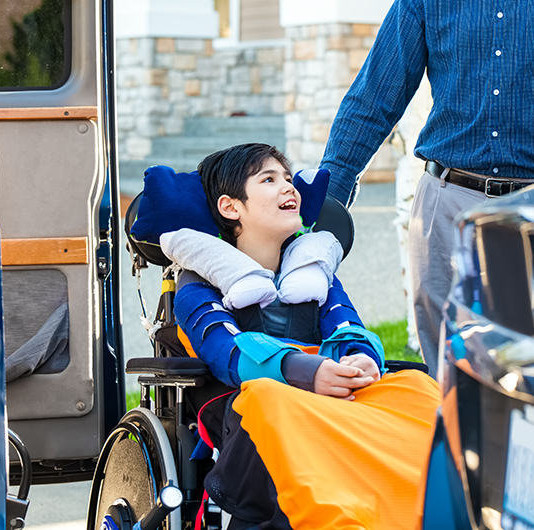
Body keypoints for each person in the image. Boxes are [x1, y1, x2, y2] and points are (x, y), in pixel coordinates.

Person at [159, 144, 440, 529]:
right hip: (251, 400)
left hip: (327, 385)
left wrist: (361, 359)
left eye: (288, 179)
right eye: (269, 180)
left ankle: (432, 506)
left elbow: (346, 327)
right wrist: (307, 371)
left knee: (416, 387)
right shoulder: (197, 284)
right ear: (230, 207)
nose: (288, 188)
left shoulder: (312, 272)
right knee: (269, 397)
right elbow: (225, 351)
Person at [319, 0, 534, 375]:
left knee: (523, 374)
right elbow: (376, 94)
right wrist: (328, 198)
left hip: (529, 205)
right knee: (446, 374)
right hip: (447, 202)